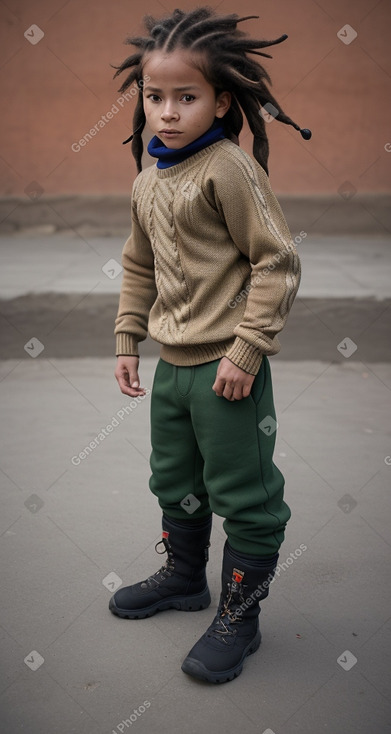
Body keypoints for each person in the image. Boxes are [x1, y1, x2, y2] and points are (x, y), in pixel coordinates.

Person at [110, 6, 311, 684]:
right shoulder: (148, 179)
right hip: (172, 368)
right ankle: (183, 578)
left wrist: (246, 350)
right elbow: (138, 265)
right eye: (154, 96)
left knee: (246, 496)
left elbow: (276, 262)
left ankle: (239, 616)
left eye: (185, 97)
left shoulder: (228, 169)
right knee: (174, 482)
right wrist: (126, 340)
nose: (166, 112)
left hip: (229, 371)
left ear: (222, 99)